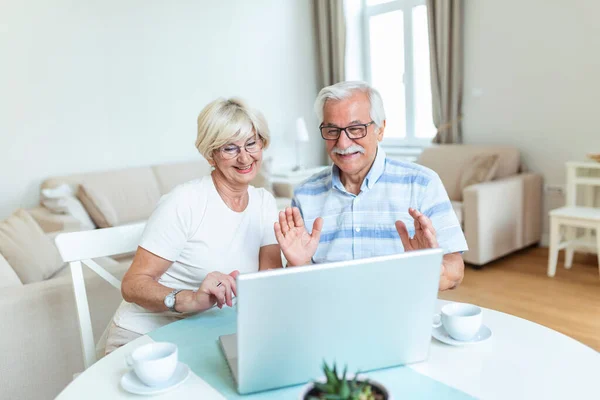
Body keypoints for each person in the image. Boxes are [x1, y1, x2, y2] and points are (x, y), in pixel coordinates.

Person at [105, 97, 282, 353]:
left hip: (209, 333)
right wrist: (189, 298)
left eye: (251, 143)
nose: (244, 158)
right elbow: (132, 284)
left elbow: (267, 287)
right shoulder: (184, 202)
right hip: (146, 336)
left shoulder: (264, 203)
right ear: (211, 155)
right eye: (230, 148)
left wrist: (298, 260)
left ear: (262, 144)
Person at [274, 81, 468, 291]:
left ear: (380, 129)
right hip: (329, 315)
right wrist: (299, 264)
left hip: (399, 312)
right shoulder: (305, 194)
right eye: (332, 130)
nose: (343, 143)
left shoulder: (422, 184)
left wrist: (429, 268)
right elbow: (299, 284)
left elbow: (455, 270)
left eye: (355, 129)